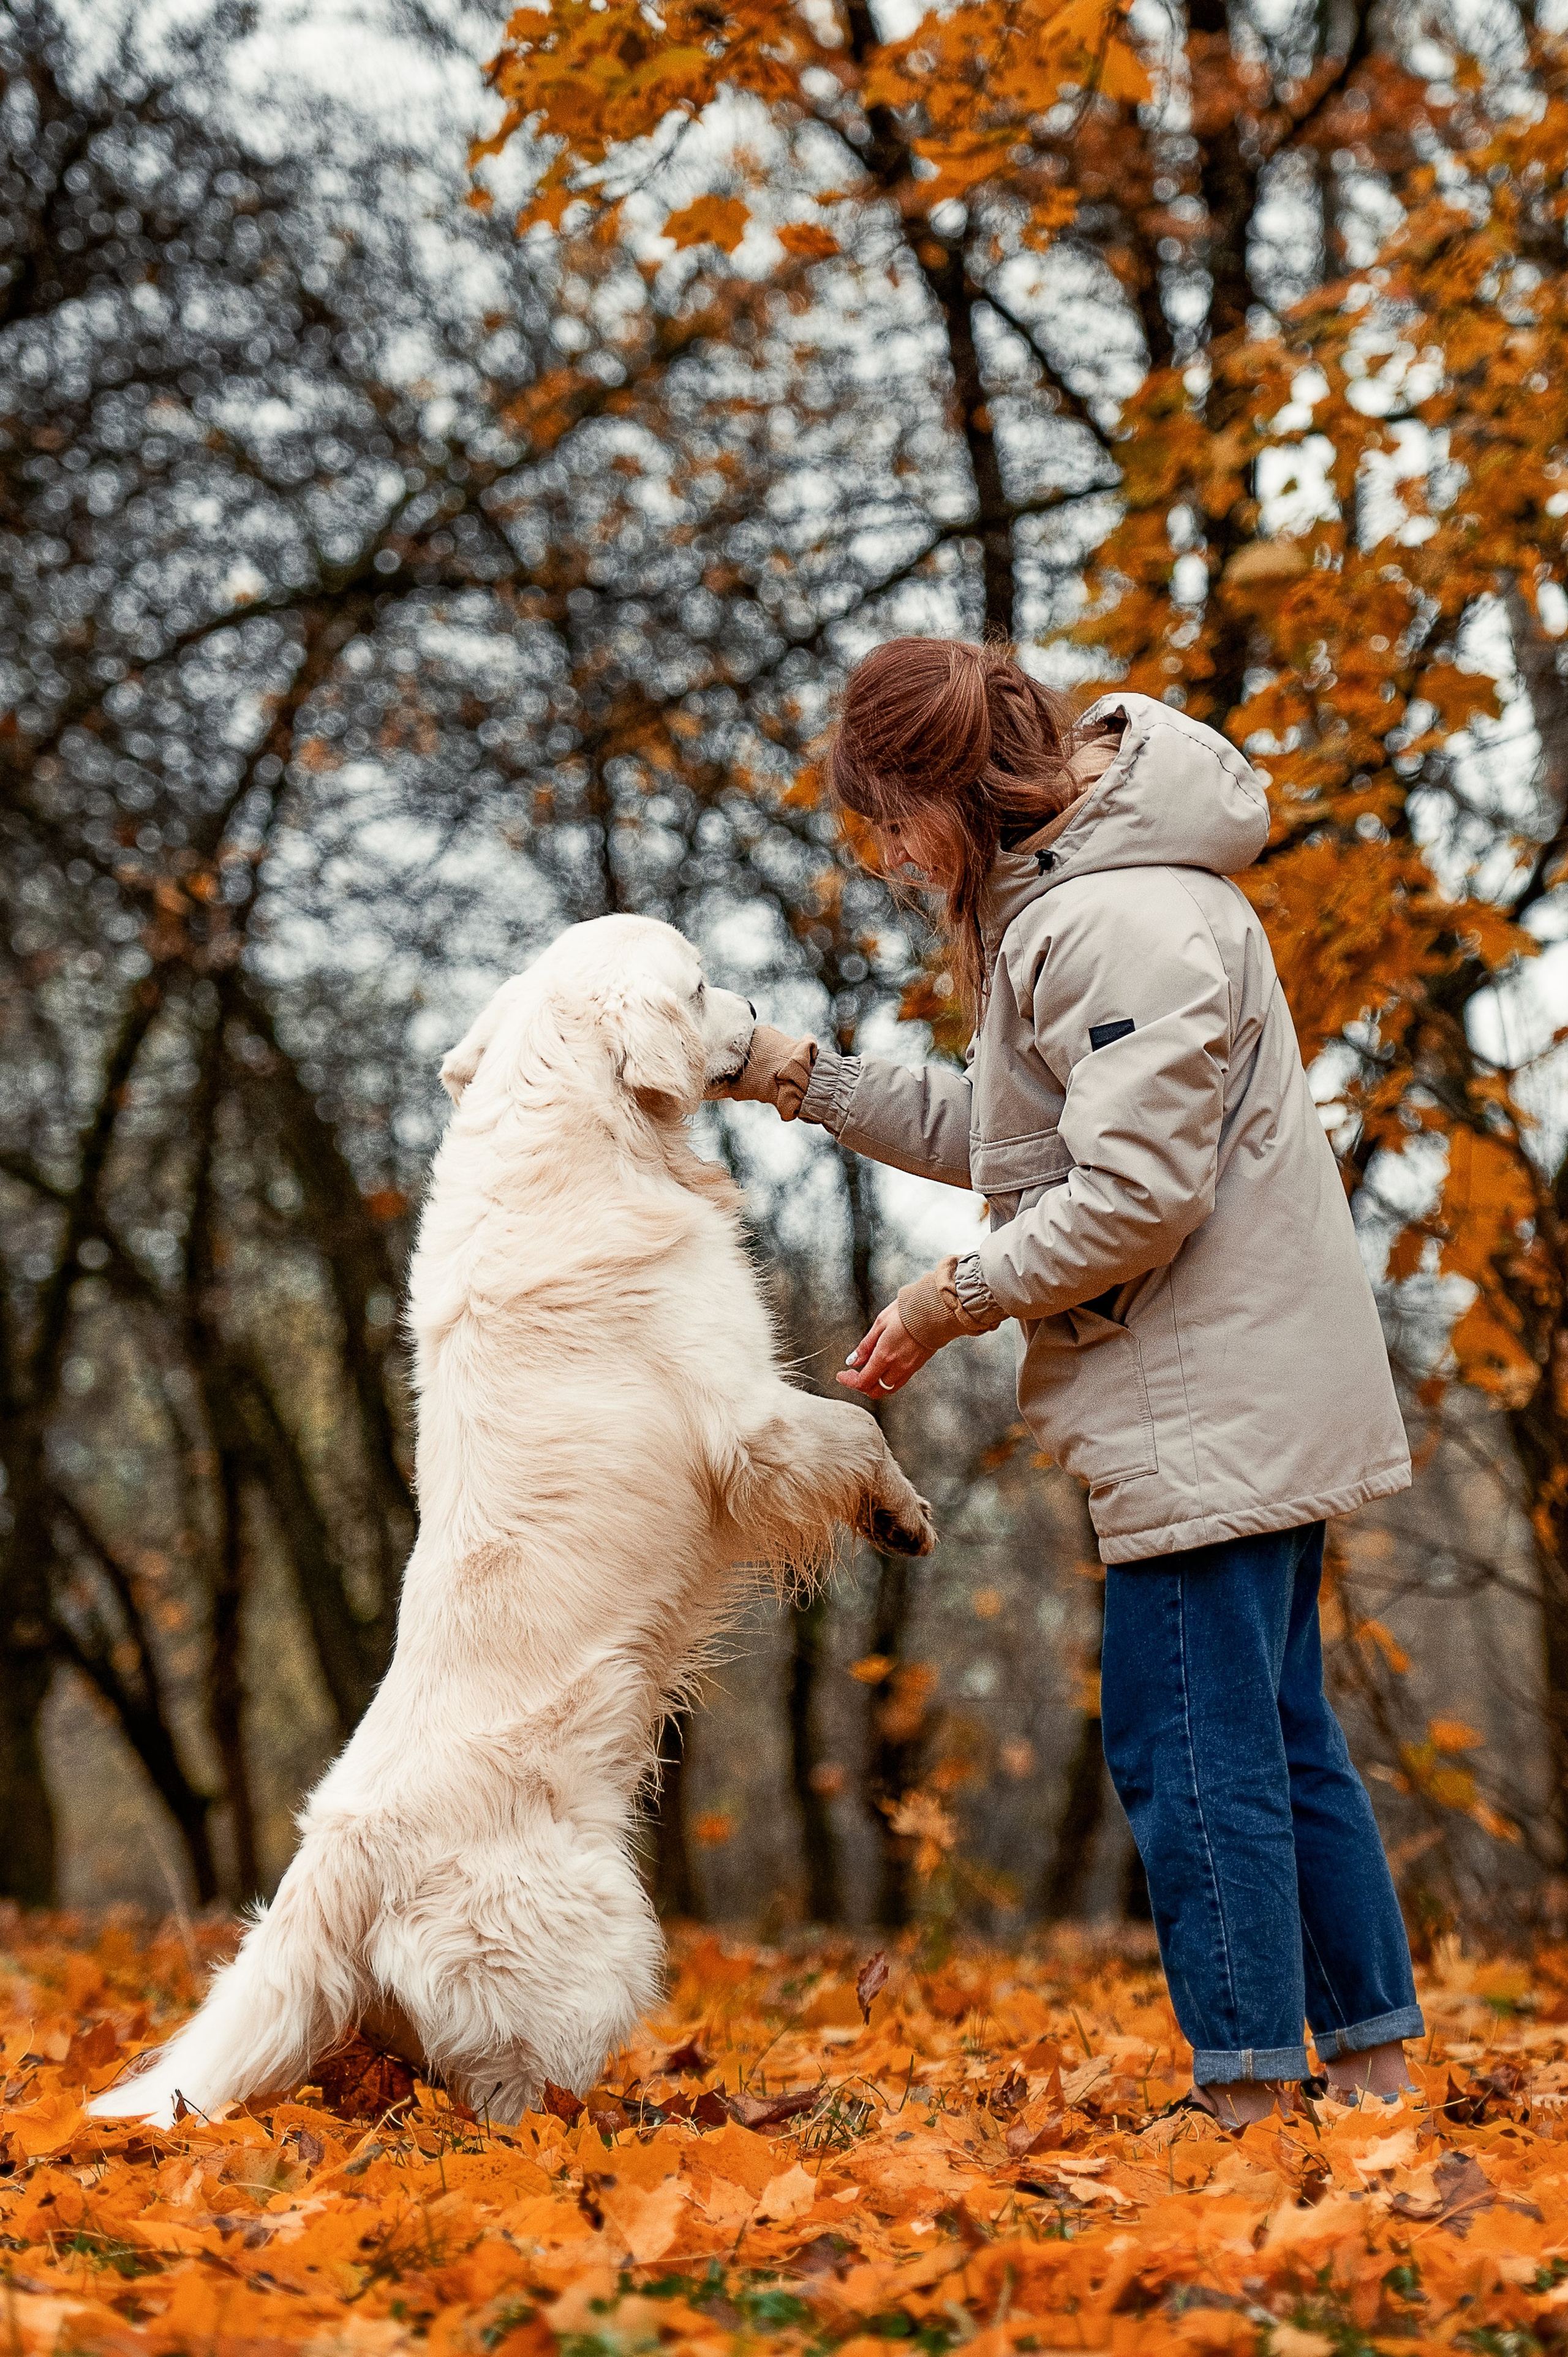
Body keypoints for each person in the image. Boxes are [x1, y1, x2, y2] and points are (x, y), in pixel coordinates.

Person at [717, 637, 1422, 2125]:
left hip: (1204, 1395)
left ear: (945, 791)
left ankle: (1246, 2099)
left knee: (1183, 1741)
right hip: (1227, 1381)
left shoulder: (1114, 918)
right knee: (1275, 1731)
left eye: (887, 824)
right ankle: (1367, 2076)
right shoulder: (1088, 895)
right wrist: (803, 1074)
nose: (888, 859)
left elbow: (1133, 1193)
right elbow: (1015, 1129)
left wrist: (944, 1298)